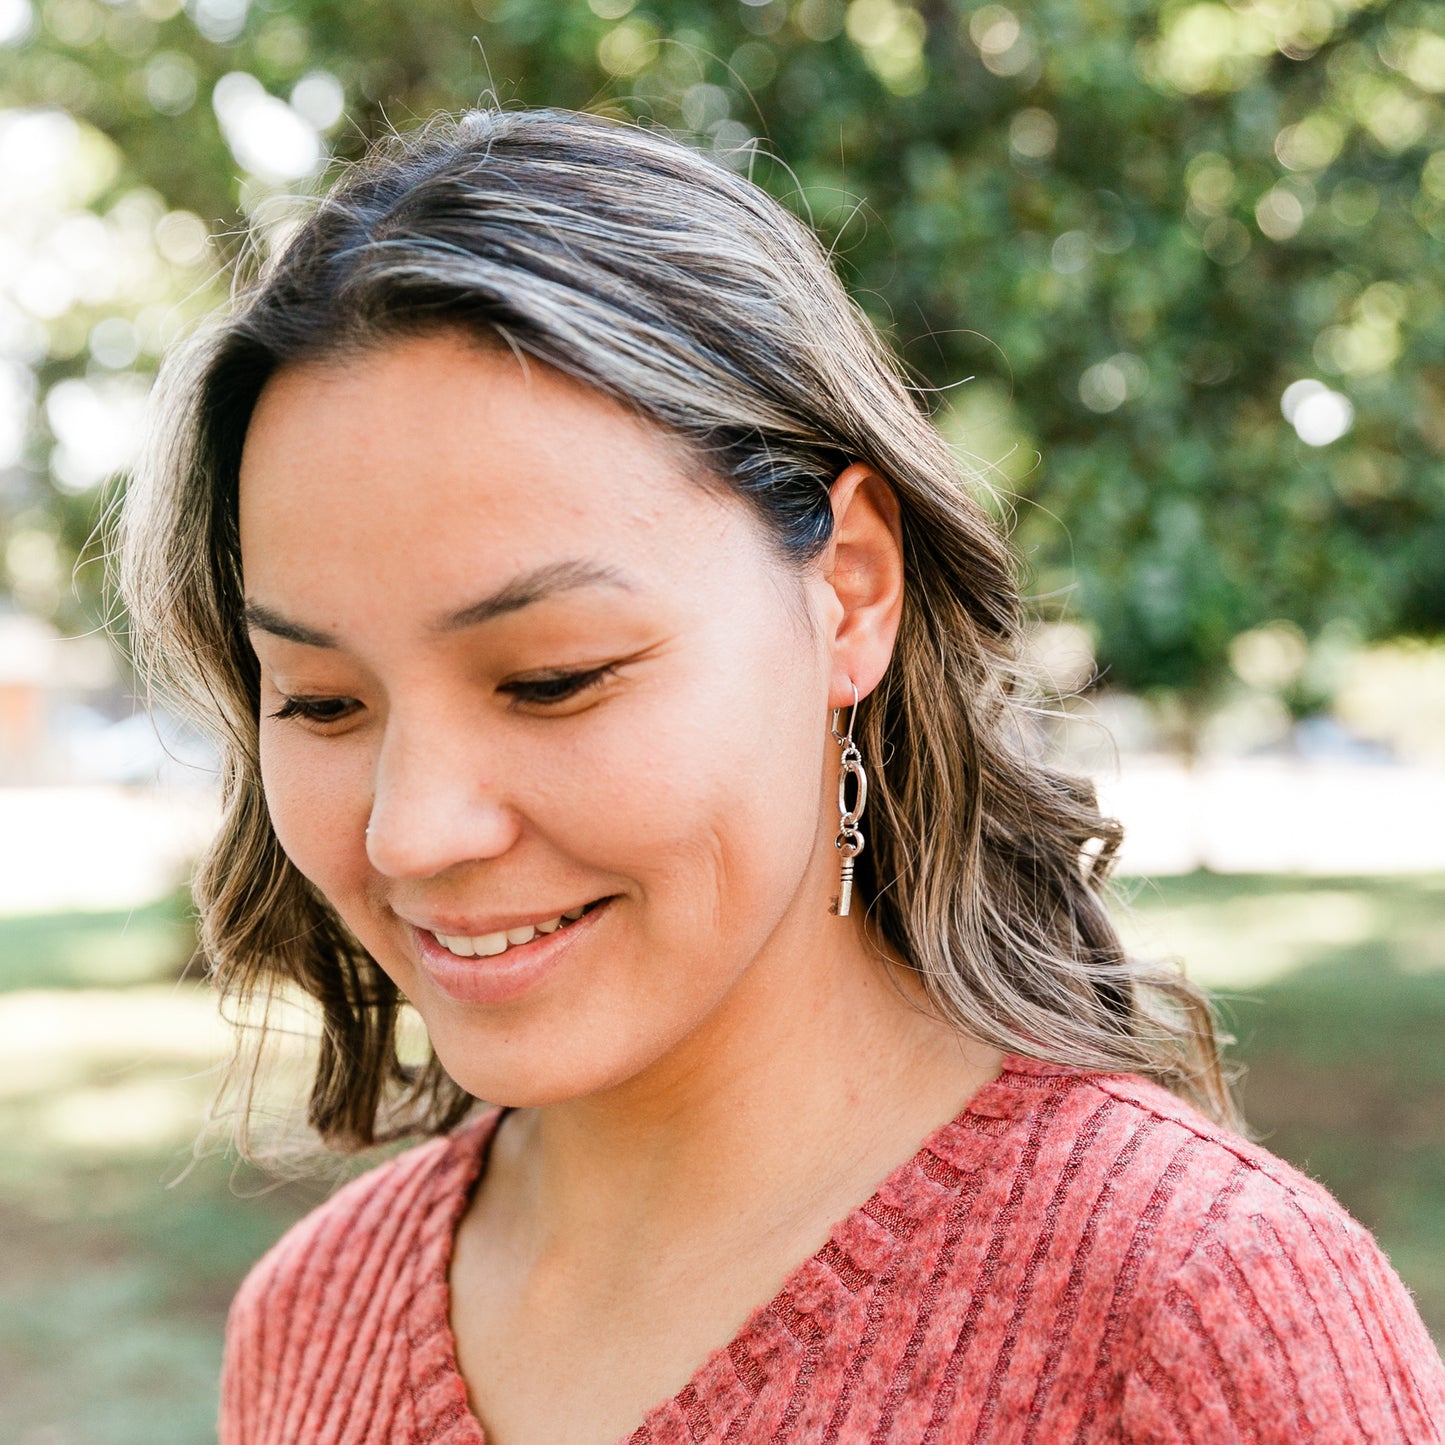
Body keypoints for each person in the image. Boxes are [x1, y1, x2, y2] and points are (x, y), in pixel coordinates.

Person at [117, 106, 1444, 1444]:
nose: (415, 830)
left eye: (551, 677)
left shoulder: (1194, 1307)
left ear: (850, 592)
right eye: (324, 702)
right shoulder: (311, 1321)